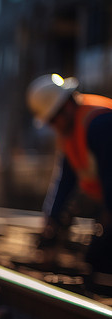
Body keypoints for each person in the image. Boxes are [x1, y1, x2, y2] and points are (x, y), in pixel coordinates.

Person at [27, 74, 112, 283]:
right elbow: (65, 181)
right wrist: (52, 221)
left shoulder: (100, 124)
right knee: (97, 260)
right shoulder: (72, 133)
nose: (53, 127)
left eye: (53, 120)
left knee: (102, 260)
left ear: (65, 108)